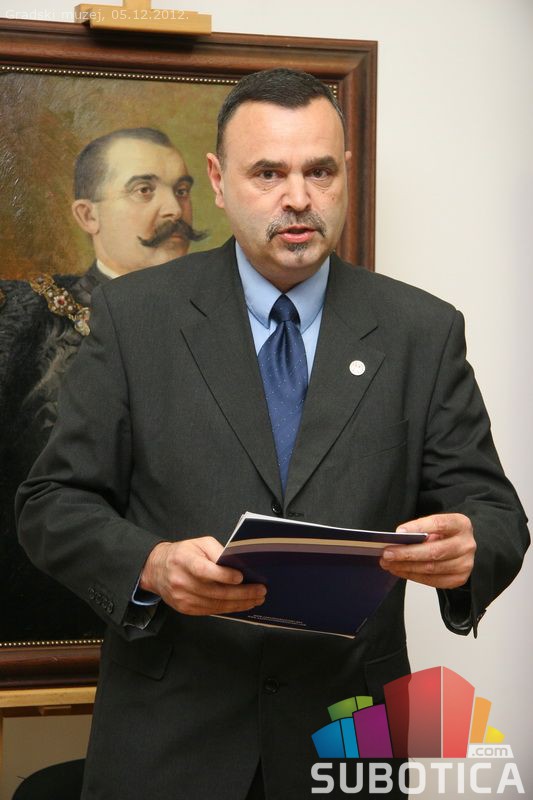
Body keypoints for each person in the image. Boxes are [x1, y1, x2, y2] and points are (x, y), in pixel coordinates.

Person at [16, 69, 529, 800]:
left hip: (347, 742)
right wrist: (152, 565)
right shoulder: (136, 317)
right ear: (219, 182)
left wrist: (471, 546)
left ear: (344, 174)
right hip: (169, 743)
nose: (298, 198)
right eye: (268, 173)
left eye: (319, 172)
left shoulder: (421, 330)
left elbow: (497, 515)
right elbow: (51, 503)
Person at [1, 127, 204, 642]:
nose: (173, 209)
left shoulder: (239, 318)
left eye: (181, 189)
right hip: (51, 615)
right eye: (144, 189)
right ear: (87, 215)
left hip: (215, 634)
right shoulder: (26, 319)